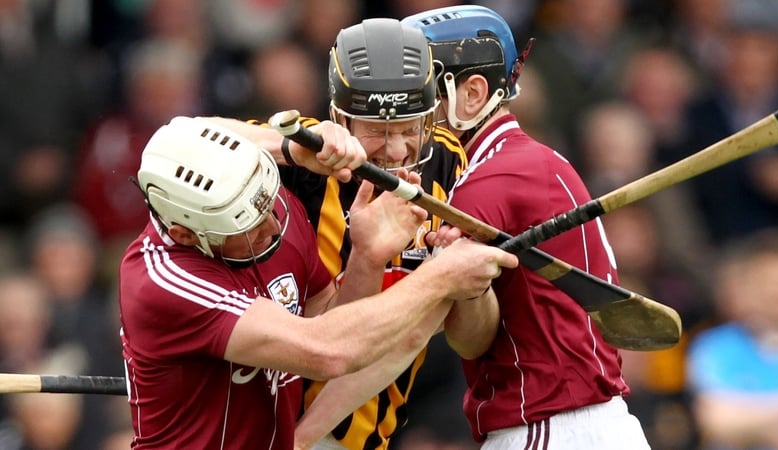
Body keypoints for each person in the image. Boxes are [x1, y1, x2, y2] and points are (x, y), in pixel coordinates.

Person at [118, 114, 517, 449]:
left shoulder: (268, 204)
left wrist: (367, 257)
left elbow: (330, 318)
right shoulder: (164, 281)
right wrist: (438, 279)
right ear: (187, 234)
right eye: (251, 229)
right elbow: (328, 350)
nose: (274, 228)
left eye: (269, 205)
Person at [223, 18, 490, 449]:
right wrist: (290, 147)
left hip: (371, 433)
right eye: (378, 131)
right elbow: (183, 139)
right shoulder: (302, 159)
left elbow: (441, 334)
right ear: (340, 117)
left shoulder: (448, 160)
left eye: (410, 128)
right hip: (268, 424)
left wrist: (464, 283)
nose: (399, 150)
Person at [401, 5, 651, 449]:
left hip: (548, 426)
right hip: (590, 424)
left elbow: (466, 339)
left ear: (473, 94)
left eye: (420, 96)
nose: (404, 118)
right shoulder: (532, 160)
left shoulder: (487, 183)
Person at [687, 228, 778, 450]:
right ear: (745, 287)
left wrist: (750, 419)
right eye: (766, 279)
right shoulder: (712, 346)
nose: (777, 290)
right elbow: (715, 418)